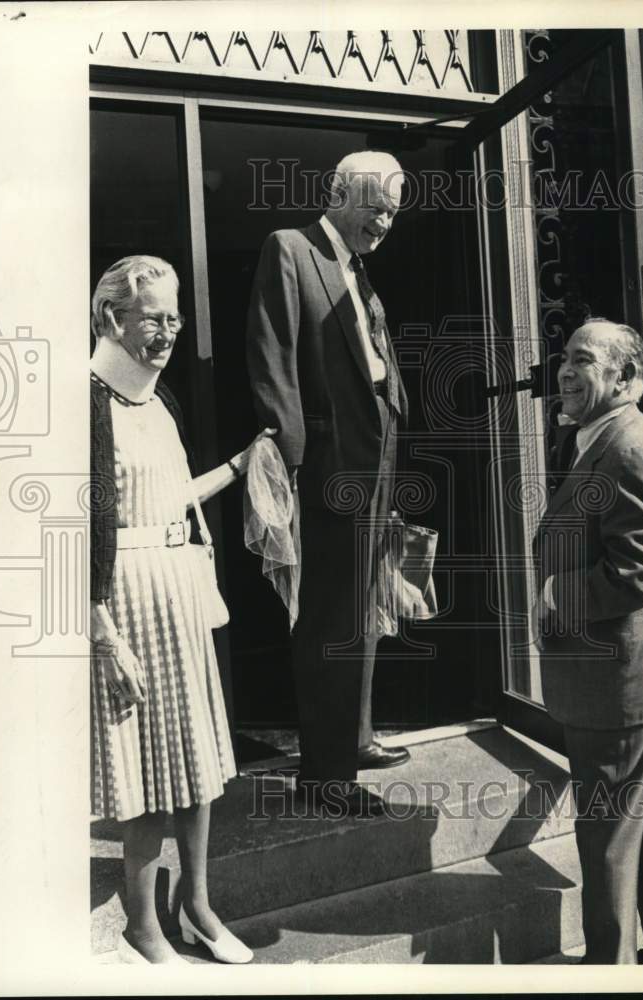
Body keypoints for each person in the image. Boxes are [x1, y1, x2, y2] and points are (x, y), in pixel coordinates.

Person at [90, 255, 269, 964]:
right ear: (111, 319)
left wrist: (238, 466)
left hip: (177, 592)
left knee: (196, 762)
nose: (166, 332)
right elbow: (75, 528)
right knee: (144, 773)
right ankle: (143, 925)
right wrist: (104, 637)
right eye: (152, 319)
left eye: (174, 319)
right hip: (125, 602)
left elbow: (171, 498)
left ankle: (197, 906)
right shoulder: (84, 404)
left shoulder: (160, 400)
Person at [246, 151, 423, 817]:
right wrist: (293, 465)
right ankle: (325, 778)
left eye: (391, 213)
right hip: (328, 462)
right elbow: (271, 356)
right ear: (337, 193)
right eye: (374, 206)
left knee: (366, 604)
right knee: (331, 617)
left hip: (375, 451)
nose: (383, 222)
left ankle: (355, 738)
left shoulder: (358, 267)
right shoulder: (291, 249)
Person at [534, 318, 643, 964]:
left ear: (623, 377)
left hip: (615, 685)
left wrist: (554, 597)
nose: (565, 371)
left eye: (583, 361)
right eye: (565, 357)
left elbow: (642, 569)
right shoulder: (597, 436)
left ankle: (609, 970)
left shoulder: (628, 448)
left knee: (608, 840)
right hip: (625, 679)